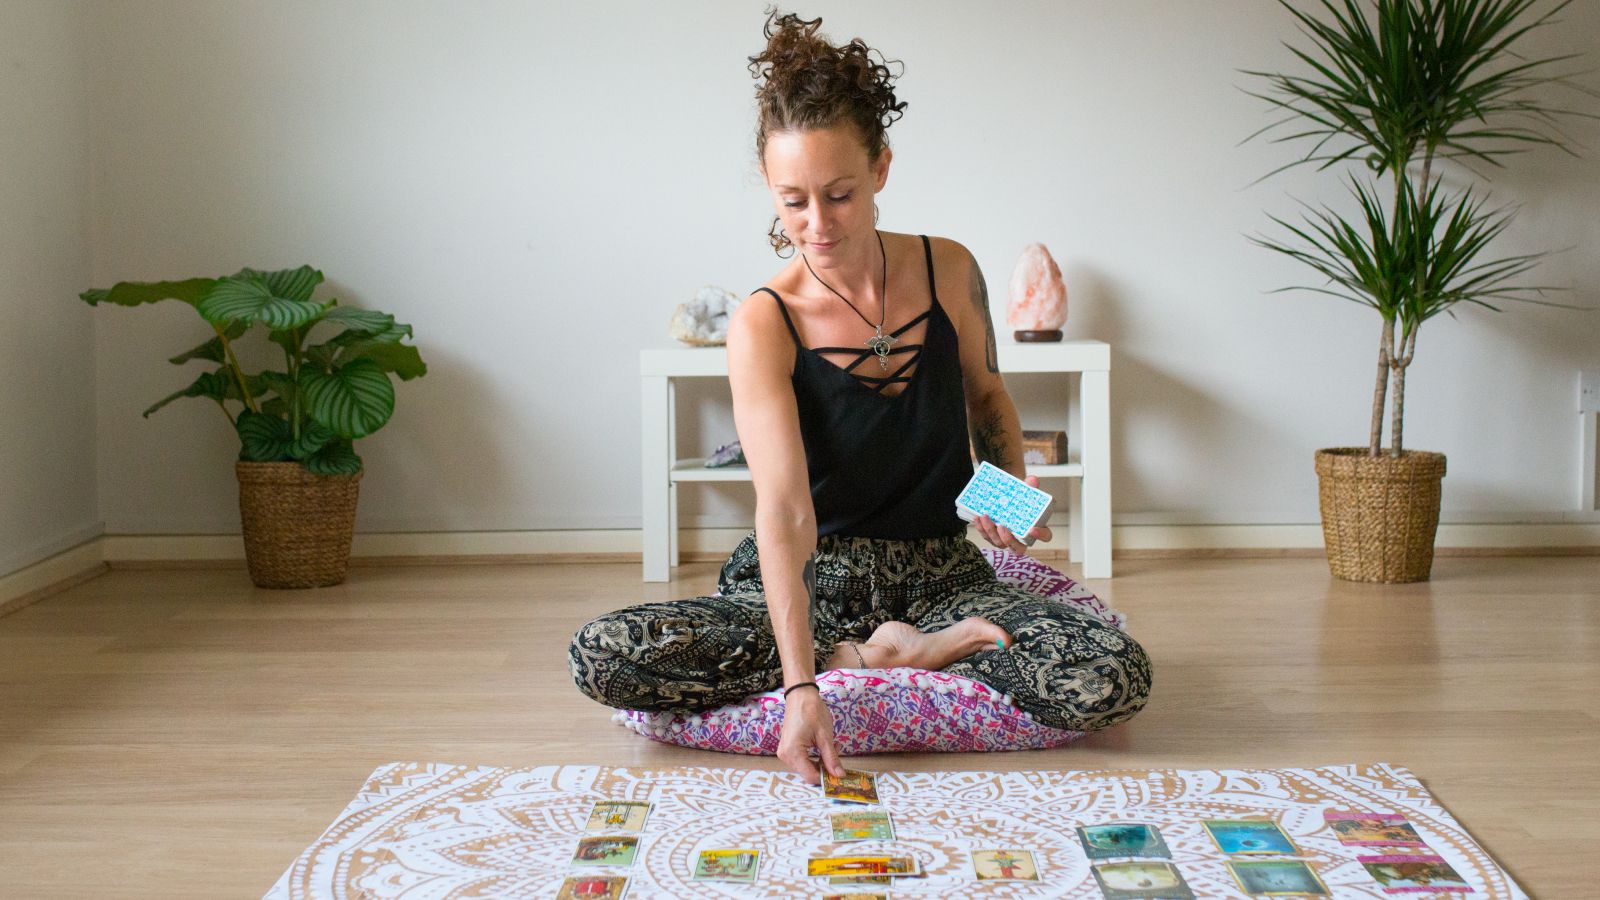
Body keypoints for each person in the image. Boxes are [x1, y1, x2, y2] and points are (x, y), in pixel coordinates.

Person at [569, 10, 1150, 784]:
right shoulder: (763, 321)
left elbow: (986, 398)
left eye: (837, 194)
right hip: (816, 577)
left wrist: (1009, 505)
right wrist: (807, 680)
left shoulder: (950, 269)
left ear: (880, 167)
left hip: (943, 575)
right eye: (793, 200)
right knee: (604, 655)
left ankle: (912, 647)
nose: (816, 224)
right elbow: (783, 513)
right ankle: (880, 660)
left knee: (1112, 674)